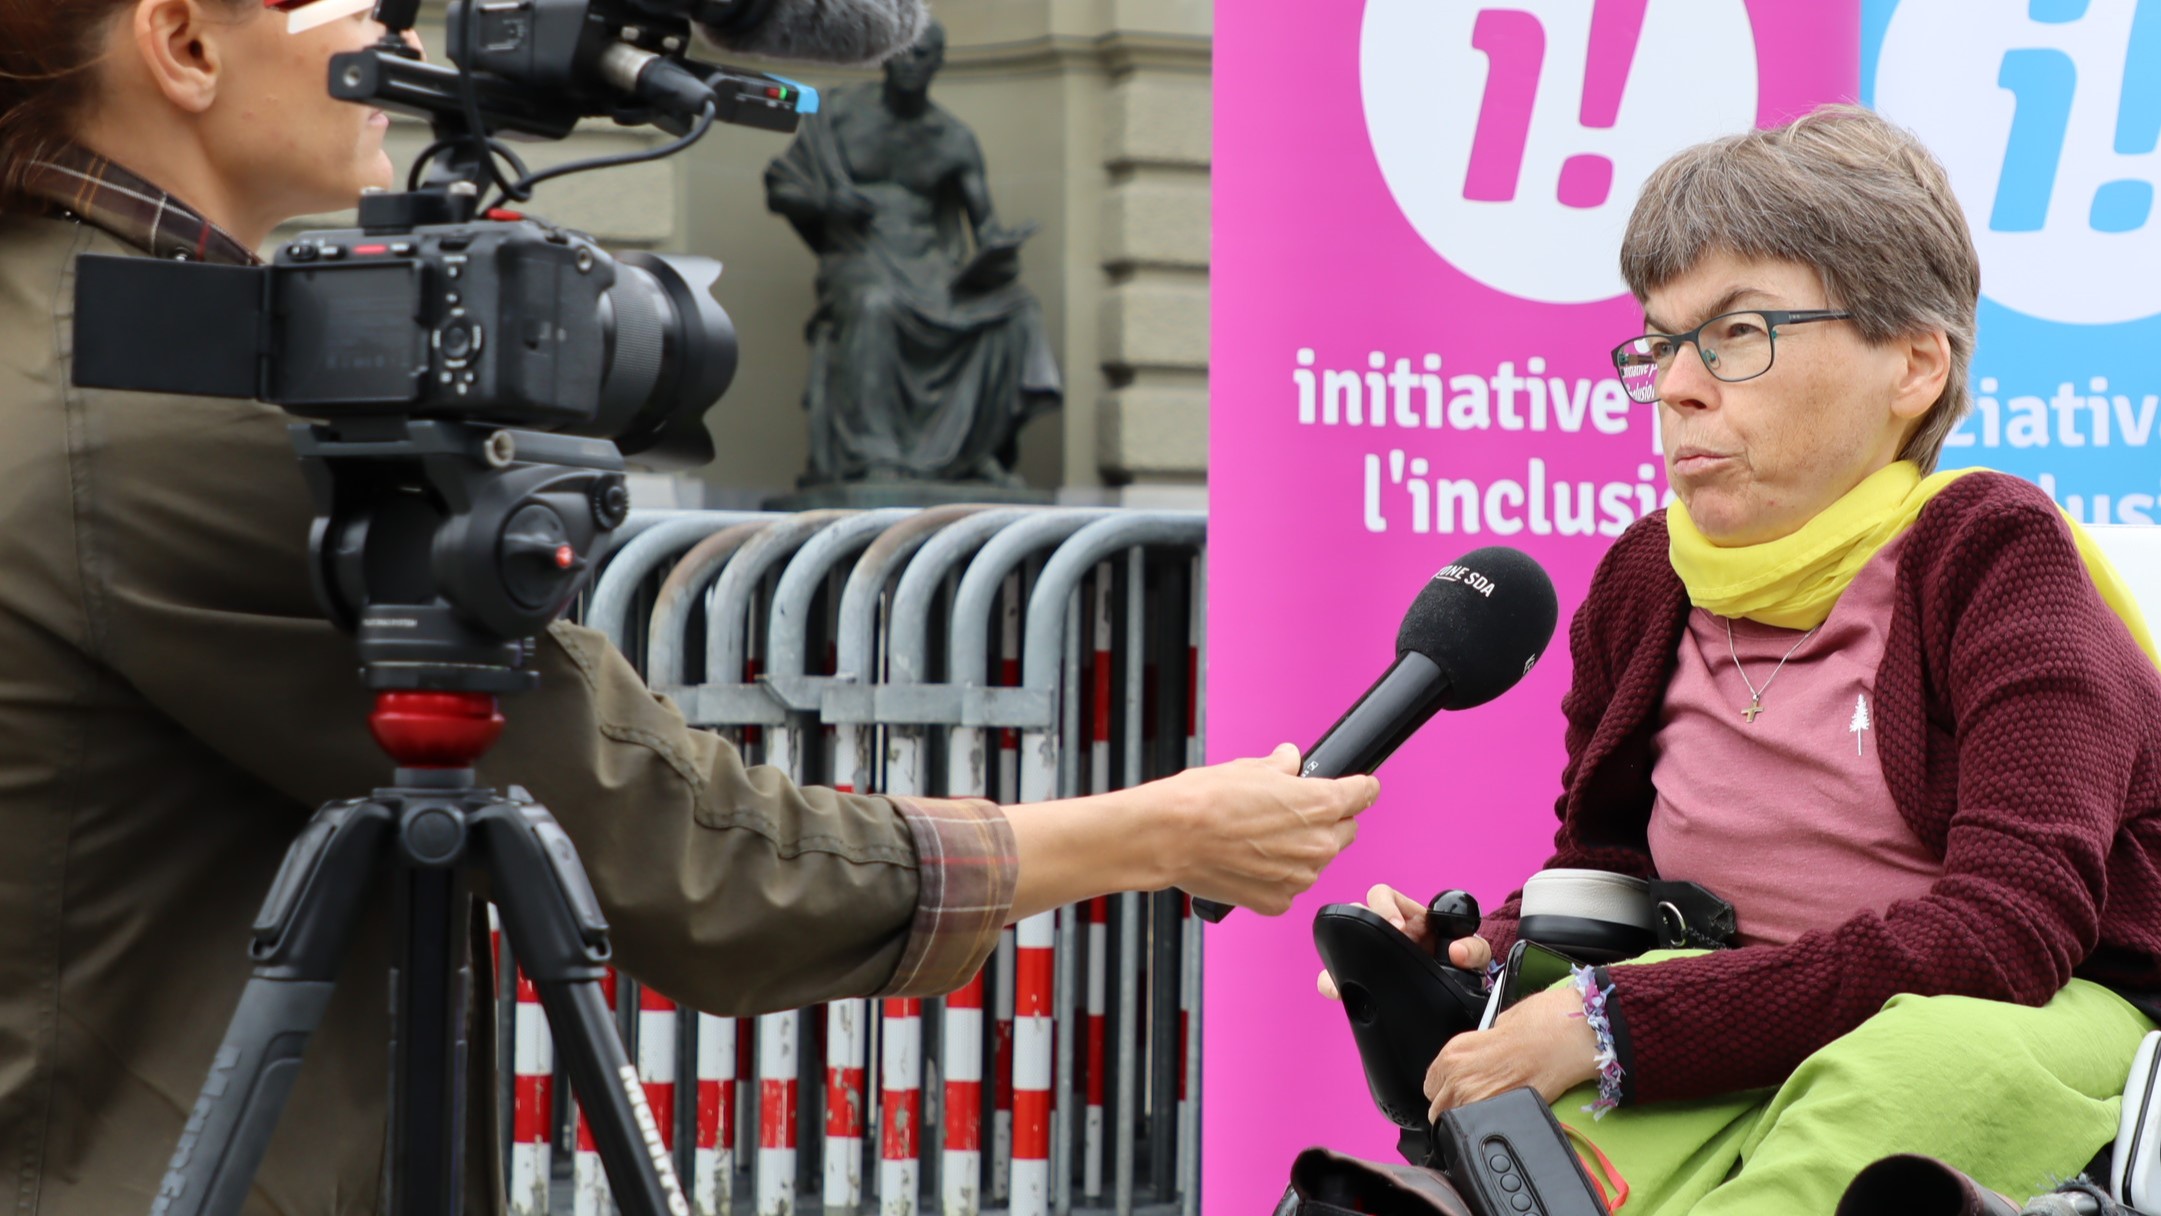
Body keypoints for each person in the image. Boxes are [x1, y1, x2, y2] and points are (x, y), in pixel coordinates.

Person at [0, 3, 1379, 1213]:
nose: (399, 43)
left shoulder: (68, 330)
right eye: (366, 2)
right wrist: (1155, 830)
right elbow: (675, 847)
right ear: (181, 41)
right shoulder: (155, 410)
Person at [1325, 105, 2161, 1215]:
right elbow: (1608, 869)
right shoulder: (1642, 578)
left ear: (1912, 363)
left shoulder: (1993, 555)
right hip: (1721, 998)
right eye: (1660, 342)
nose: (1675, 386)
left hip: (2028, 1007)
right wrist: (1488, 949)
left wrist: (1613, 1025)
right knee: (1506, 1142)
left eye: (1736, 335)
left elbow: (2008, 933)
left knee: (1894, 1080)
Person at [764, 18, 1060, 487]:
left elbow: (984, 228)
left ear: (939, 63)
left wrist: (1000, 251)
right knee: (874, 304)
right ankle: (874, 454)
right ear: (884, 56)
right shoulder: (837, 115)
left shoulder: (954, 139)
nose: (909, 63)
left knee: (1018, 311)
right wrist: (826, 202)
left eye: (922, 55)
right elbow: (780, 187)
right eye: (902, 53)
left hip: (933, 271)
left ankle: (974, 450)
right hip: (859, 260)